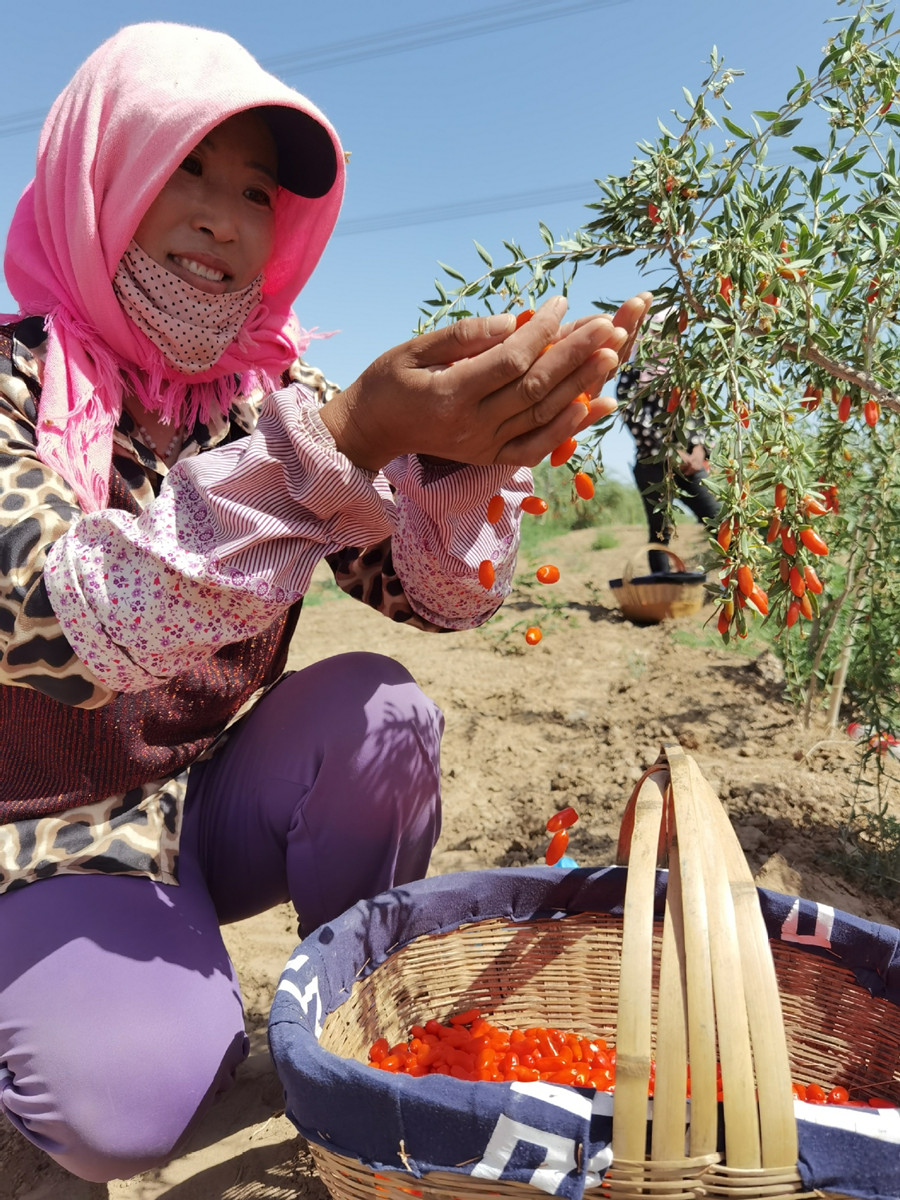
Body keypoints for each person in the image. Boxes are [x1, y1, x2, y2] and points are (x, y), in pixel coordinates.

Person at [0, 22, 651, 1186]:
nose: (222, 217)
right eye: (180, 172)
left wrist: (460, 473)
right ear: (99, 177)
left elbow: (418, 593)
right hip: (37, 833)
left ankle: (359, 1019)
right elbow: (71, 618)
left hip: (195, 800)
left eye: (255, 191)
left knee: (387, 720)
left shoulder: (272, 398)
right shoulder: (11, 389)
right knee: (119, 1112)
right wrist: (343, 440)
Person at [616, 316, 719, 574]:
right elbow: (636, 419)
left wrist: (698, 451)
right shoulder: (632, 376)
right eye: (657, 334)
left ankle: (738, 577)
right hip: (653, 465)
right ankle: (661, 587)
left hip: (690, 466)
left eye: (669, 334)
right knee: (661, 529)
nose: (664, 339)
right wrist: (676, 452)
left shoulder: (681, 373)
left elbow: (698, 414)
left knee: (716, 517)